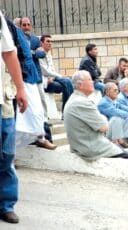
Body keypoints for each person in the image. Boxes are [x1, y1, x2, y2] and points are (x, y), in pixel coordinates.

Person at [64, 70, 128, 160]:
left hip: (85, 144)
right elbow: (104, 127)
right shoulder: (82, 102)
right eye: (89, 80)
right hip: (91, 147)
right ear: (80, 85)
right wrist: (103, 117)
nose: (93, 82)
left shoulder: (75, 99)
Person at [0, 10, 28, 224]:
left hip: (3, 99)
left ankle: (6, 204)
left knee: (7, 154)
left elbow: (9, 52)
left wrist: (20, 88)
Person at [17, 17, 56, 150]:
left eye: (28, 25)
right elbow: (18, 54)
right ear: (19, 26)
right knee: (22, 114)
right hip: (21, 77)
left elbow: (41, 54)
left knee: (40, 110)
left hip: (34, 77)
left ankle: (43, 138)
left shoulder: (34, 39)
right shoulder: (16, 38)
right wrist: (33, 52)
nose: (26, 27)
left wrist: (33, 53)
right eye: (24, 25)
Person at [97, 82, 128, 148]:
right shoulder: (103, 103)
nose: (117, 92)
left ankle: (122, 140)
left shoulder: (115, 101)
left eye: (118, 90)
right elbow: (116, 112)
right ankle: (115, 142)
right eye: (115, 90)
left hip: (111, 129)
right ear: (107, 92)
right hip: (104, 132)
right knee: (117, 117)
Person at [39, 35, 74, 113]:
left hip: (52, 78)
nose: (50, 43)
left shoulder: (49, 55)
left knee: (69, 81)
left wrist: (53, 77)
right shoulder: (39, 54)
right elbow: (45, 71)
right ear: (41, 43)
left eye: (51, 41)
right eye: (48, 41)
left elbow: (52, 69)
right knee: (64, 85)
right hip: (45, 82)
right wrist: (59, 76)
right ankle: (68, 110)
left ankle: (68, 110)